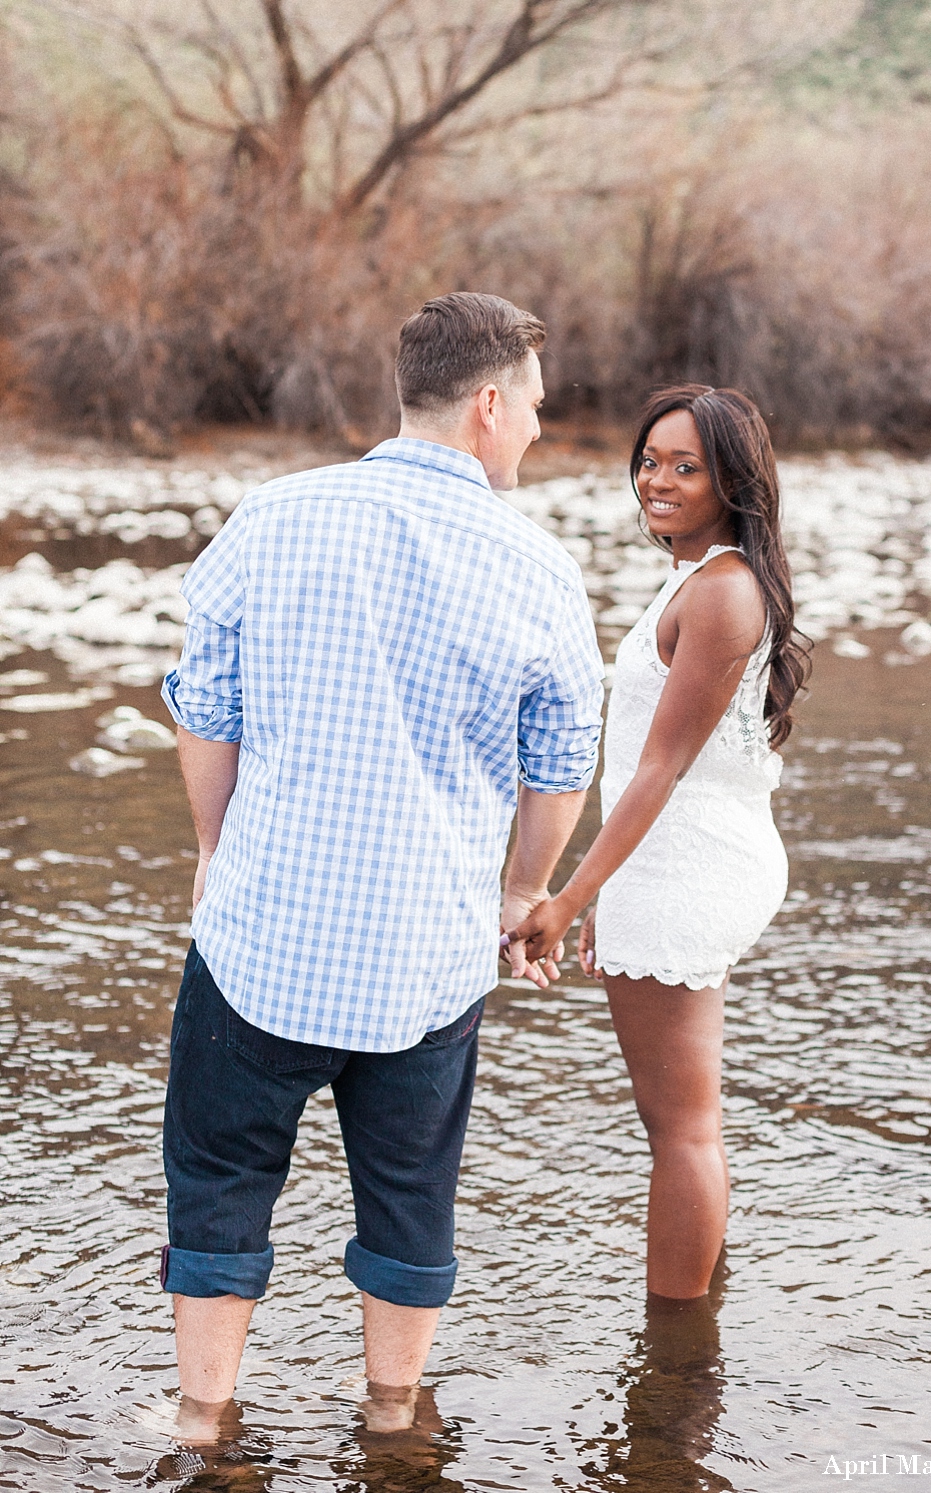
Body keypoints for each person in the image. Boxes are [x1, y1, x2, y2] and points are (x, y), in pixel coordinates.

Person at [159, 291, 604, 1427]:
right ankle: (393, 1420)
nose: (540, 431)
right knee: (410, 1203)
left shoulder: (273, 514)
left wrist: (216, 850)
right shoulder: (537, 565)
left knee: (220, 1193)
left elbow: (205, 705)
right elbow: (561, 757)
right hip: (427, 955)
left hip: (261, 936)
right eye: (537, 409)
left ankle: (206, 1423)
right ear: (490, 405)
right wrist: (519, 892)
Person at [505, 385, 810, 1301]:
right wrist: (613, 898)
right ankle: (702, 1298)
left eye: (686, 466)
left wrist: (564, 898)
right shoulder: (703, 574)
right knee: (684, 1119)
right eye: (649, 460)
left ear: (733, 480)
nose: (658, 481)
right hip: (681, 857)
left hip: (688, 861)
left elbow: (657, 770)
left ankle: (675, 1347)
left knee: (679, 1125)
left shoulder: (721, 592)